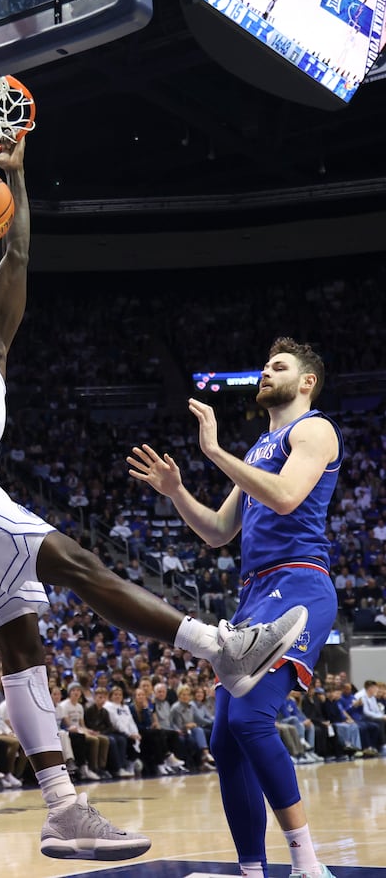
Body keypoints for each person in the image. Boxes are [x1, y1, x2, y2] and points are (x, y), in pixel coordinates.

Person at [0, 136, 304, 861]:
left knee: (22, 648)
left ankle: (63, 810)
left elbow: (14, 263)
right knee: (76, 559)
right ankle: (219, 648)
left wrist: (15, 183)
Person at [127, 337, 342, 878]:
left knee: (250, 719)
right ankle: (251, 870)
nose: (267, 373)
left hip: (298, 585)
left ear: (307, 381)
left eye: (279, 366)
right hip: (253, 597)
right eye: (266, 366)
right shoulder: (256, 451)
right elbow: (219, 532)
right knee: (225, 738)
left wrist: (215, 454)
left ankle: (307, 864)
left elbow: (288, 497)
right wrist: (177, 491)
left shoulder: (313, 429)